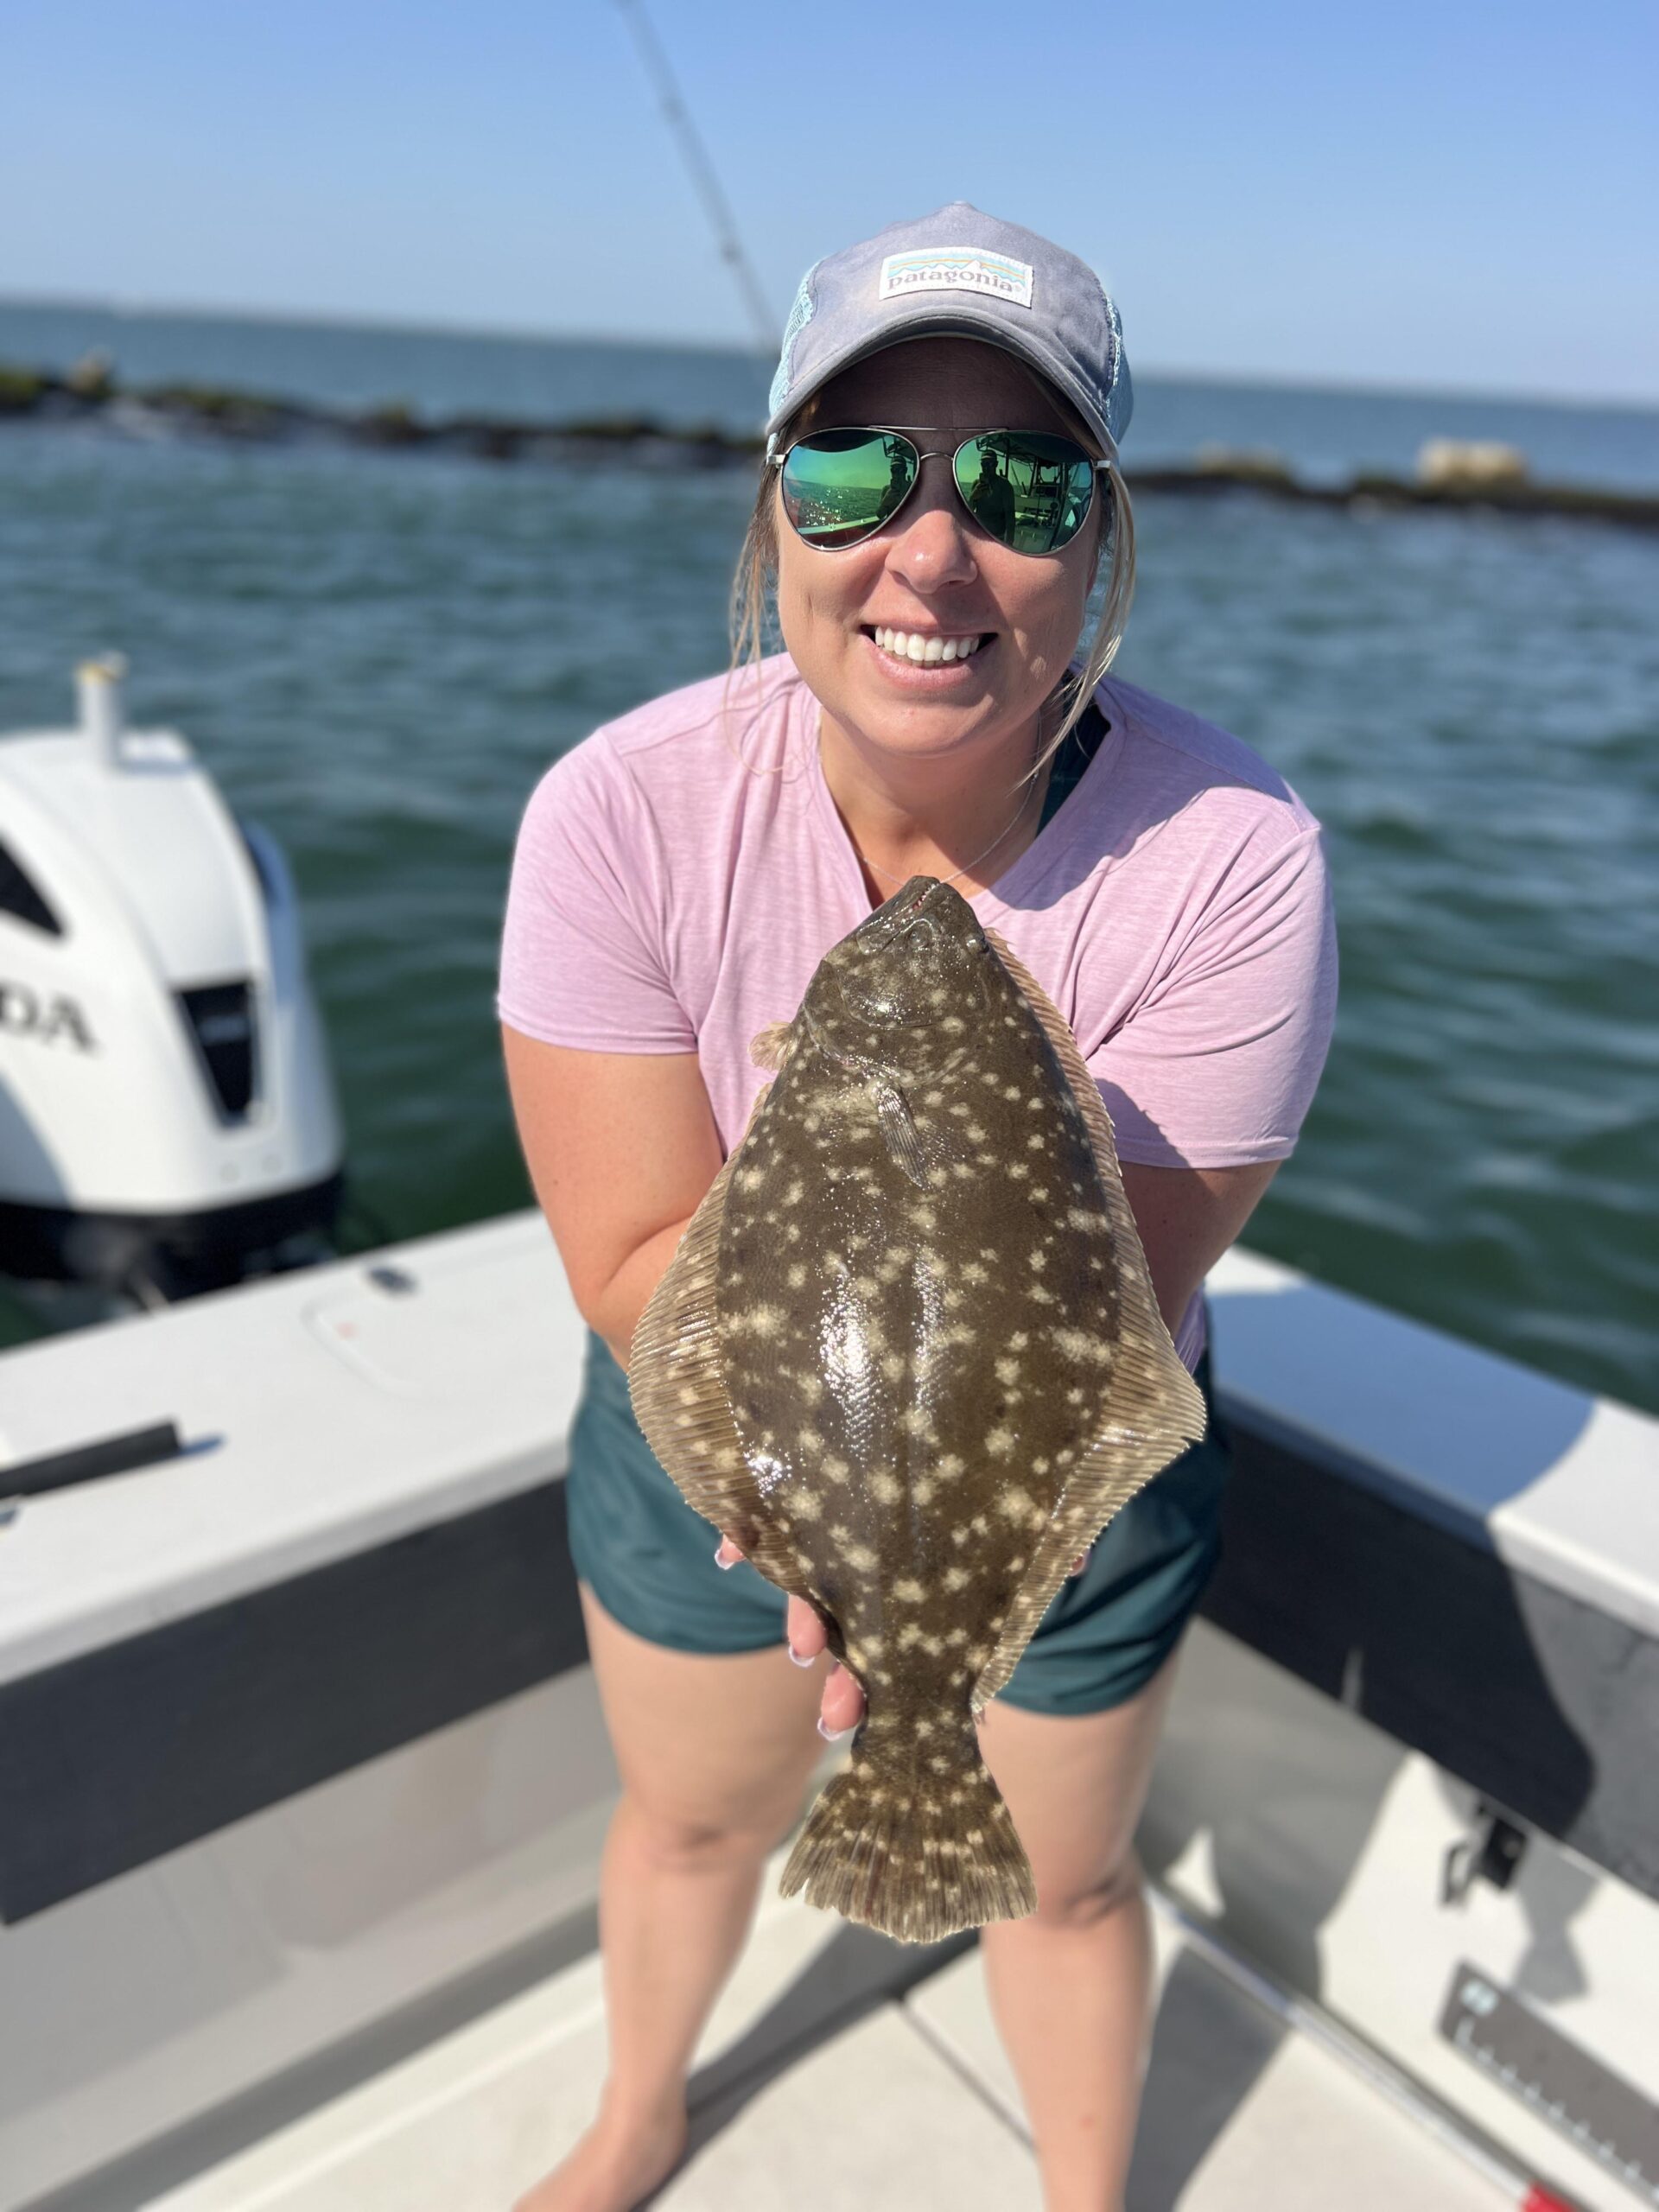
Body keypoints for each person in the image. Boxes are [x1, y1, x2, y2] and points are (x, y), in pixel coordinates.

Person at [497, 200, 1338, 2212]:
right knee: (689, 1822)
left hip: (1051, 1457)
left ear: (1103, 539)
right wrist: (782, 1474)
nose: (932, 549)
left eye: (1027, 481)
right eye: (860, 467)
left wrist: (892, 1545)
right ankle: (640, 2114)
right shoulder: (621, 809)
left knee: (1061, 1877)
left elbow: (1093, 1325)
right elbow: (629, 1264)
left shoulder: (1233, 859)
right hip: (709, 1433)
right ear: (777, 503)